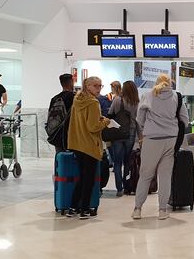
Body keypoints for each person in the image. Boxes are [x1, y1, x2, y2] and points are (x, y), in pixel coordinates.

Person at [131, 74, 189, 220]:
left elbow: (139, 118)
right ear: (170, 83)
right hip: (170, 139)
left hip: (152, 139)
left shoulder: (148, 95)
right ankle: (162, 210)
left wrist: (148, 128)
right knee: (165, 176)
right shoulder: (177, 96)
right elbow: (185, 120)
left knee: (145, 176)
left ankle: (138, 209)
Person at [66, 76, 110, 219]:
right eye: (96, 86)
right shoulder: (92, 103)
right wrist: (105, 121)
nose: (98, 88)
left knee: (81, 178)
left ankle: (72, 207)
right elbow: (93, 127)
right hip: (89, 145)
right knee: (89, 180)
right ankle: (84, 209)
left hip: (77, 144)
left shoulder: (77, 100)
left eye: (100, 86)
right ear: (88, 86)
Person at [108, 81, 140, 197]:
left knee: (117, 163)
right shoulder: (136, 102)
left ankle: (119, 188)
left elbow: (110, 115)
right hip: (130, 134)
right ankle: (127, 186)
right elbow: (138, 121)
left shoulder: (117, 100)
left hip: (118, 134)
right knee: (127, 162)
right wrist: (140, 137)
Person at [48, 74, 75, 154]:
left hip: (57, 134)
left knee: (59, 156)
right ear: (72, 82)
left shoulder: (55, 98)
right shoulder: (74, 97)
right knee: (71, 159)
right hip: (71, 134)